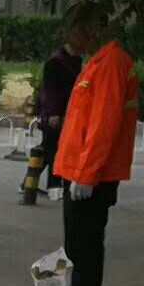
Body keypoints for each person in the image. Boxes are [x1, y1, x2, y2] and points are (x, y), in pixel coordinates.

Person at [38, 4, 139, 286]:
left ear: (91, 30)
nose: (70, 39)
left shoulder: (110, 64)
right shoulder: (97, 62)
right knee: (78, 248)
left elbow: (103, 125)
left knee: (86, 250)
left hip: (90, 177)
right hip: (79, 171)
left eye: (74, 31)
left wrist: (87, 174)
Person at [35, 37, 83, 193]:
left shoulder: (76, 60)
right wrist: (53, 113)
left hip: (67, 111)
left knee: (50, 149)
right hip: (53, 113)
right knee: (52, 150)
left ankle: (31, 183)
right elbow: (50, 90)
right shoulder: (55, 62)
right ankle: (53, 186)